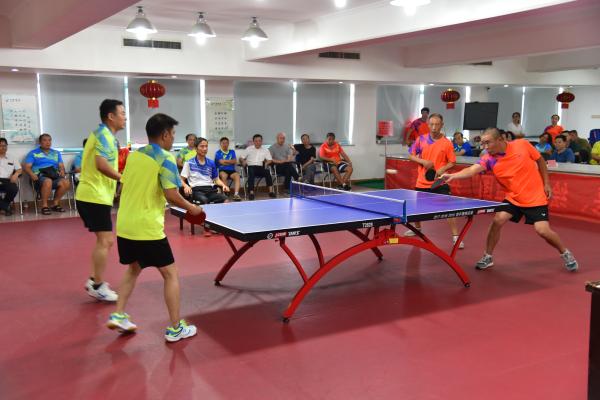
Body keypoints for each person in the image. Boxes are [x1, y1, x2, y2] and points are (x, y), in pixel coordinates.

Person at [108, 113, 202, 342]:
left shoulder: (134, 156)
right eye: (173, 134)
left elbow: (125, 187)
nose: (174, 138)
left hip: (125, 224)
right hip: (147, 226)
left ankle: (118, 314)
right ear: (165, 134)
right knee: (170, 274)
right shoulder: (165, 158)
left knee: (133, 268)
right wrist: (192, 208)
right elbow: (171, 194)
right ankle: (175, 328)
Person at [440, 128, 578, 272]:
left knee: (542, 230)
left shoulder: (522, 145)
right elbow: (472, 170)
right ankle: (488, 256)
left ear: (500, 139)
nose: (485, 147)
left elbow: (540, 161)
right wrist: (452, 176)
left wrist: (547, 183)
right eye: (483, 143)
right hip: (513, 197)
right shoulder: (489, 158)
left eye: (488, 143)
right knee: (497, 220)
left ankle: (565, 252)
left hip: (535, 197)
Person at [76, 99, 125, 302]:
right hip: (93, 196)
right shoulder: (104, 135)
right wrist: (124, 179)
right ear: (111, 116)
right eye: (122, 113)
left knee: (103, 241)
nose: (125, 118)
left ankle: (94, 280)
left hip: (96, 195)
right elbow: (101, 165)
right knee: (106, 241)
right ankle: (97, 285)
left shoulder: (105, 135)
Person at [405, 113, 463, 248]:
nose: (434, 127)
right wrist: (423, 161)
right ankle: (417, 228)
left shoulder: (446, 143)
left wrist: (443, 168)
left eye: (437, 124)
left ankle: (456, 237)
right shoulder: (421, 139)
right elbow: (411, 156)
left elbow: (452, 162)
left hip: (439, 181)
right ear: (428, 125)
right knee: (417, 209)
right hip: (422, 181)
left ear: (442, 125)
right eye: (431, 124)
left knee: (449, 208)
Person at [23, 133, 71, 215]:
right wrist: (32, 174)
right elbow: (27, 167)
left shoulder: (56, 153)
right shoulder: (33, 153)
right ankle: (44, 206)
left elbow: (61, 166)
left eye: (49, 140)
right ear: (40, 142)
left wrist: (62, 171)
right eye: (45, 140)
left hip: (53, 175)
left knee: (66, 182)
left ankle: (55, 204)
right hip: (39, 177)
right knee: (48, 181)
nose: (48, 142)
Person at [181, 137, 229, 205]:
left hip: (210, 190)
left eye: (206, 146)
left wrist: (224, 185)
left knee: (225, 199)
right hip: (196, 190)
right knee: (204, 201)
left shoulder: (211, 163)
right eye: (202, 146)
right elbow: (181, 179)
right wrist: (186, 186)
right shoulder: (189, 163)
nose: (205, 149)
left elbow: (216, 179)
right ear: (196, 148)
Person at [240, 134, 275, 200]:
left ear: (262, 141)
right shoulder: (249, 149)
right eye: (256, 141)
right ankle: (251, 193)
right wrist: (243, 161)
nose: (258, 142)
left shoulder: (265, 150)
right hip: (250, 166)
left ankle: (271, 191)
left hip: (260, 167)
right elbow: (241, 157)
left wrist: (267, 163)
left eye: (259, 141)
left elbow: (270, 160)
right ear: (253, 142)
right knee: (251, 172)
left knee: (267, 172)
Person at [214, 137, 242, 201]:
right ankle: (225, 193)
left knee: (237, 175)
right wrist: (230, 162)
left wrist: (225, 161)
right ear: (220, 144)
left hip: (232, 170)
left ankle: (236, 194)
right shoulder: (218, 152)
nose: (225, 144)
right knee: (224, 175)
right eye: (223, 143)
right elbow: (221, 162)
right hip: (222, 170)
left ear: (228, 143)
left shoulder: (232, 151)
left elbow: (234, 161)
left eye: (226, 143)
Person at [0, 138, 22, 216]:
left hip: (7, 180)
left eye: (4, 145)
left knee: (13, 188)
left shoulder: (12, 157)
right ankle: (5, 207)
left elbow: (19, 169)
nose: (3, 147)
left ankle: (3, 205)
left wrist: (15, 174)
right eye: (0, 146)